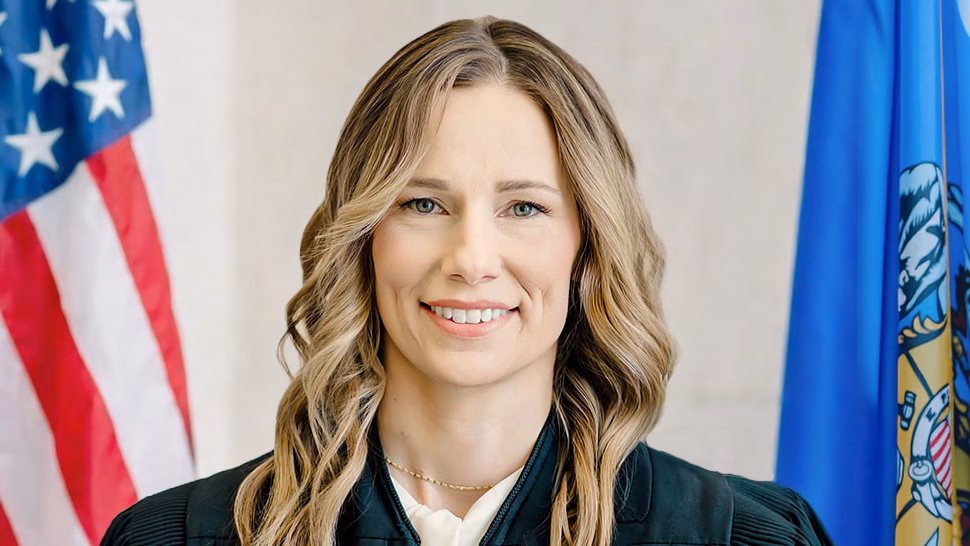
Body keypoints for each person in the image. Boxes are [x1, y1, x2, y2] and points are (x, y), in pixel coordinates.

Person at [101, 16, 831, 546]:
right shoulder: (182, 537)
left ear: (587, 247)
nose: (471, 258)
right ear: (364, 238)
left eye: (524, 208)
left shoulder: (740, 536)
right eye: (423, 204)